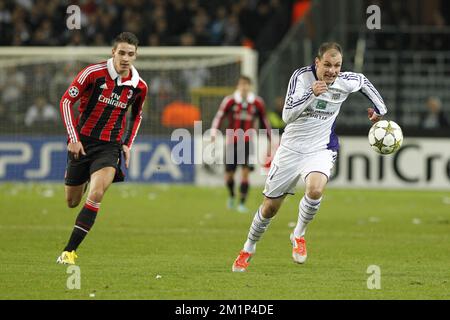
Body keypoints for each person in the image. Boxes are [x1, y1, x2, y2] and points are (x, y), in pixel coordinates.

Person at [231, 42, 387, 272]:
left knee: (315, 190)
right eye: (327, 65)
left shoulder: (345, 80)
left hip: (321, 147)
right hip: (291, 149)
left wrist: (380, 110)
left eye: (337, 65)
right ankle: (248, 248)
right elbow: (287, 116)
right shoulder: (302, 78)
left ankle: (299, 235)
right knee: (270, 208)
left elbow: (363, 82)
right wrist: (310, 93)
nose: (332, 71)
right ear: (317, 63)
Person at [56, 32, 148, 265]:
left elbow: (137, 116)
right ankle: (84, 177)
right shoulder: (93, 73)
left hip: (109, 147)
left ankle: (69, 251)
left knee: (97, 194)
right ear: (113, 53)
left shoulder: (138, 86)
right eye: (122, 53)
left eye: (131, 54)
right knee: (72, 201)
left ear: (136, 56)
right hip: (82, 143)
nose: (126, 58)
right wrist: (73, 137)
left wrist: (127, 144)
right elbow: (66, 101)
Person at [211, 75, 271, 213]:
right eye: (241, 84)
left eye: (246, 85)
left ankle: (242, 203)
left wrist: (270, 137)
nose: (244, 87)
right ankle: (232, 196)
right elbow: (219, 116)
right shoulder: (230, 101)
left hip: (248, 142)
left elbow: (264, 121)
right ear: (238, 86)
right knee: (229, 175)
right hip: (232, 141)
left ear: (250, 87)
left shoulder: (257, 102)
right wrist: (214, 132)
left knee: (245, 173)